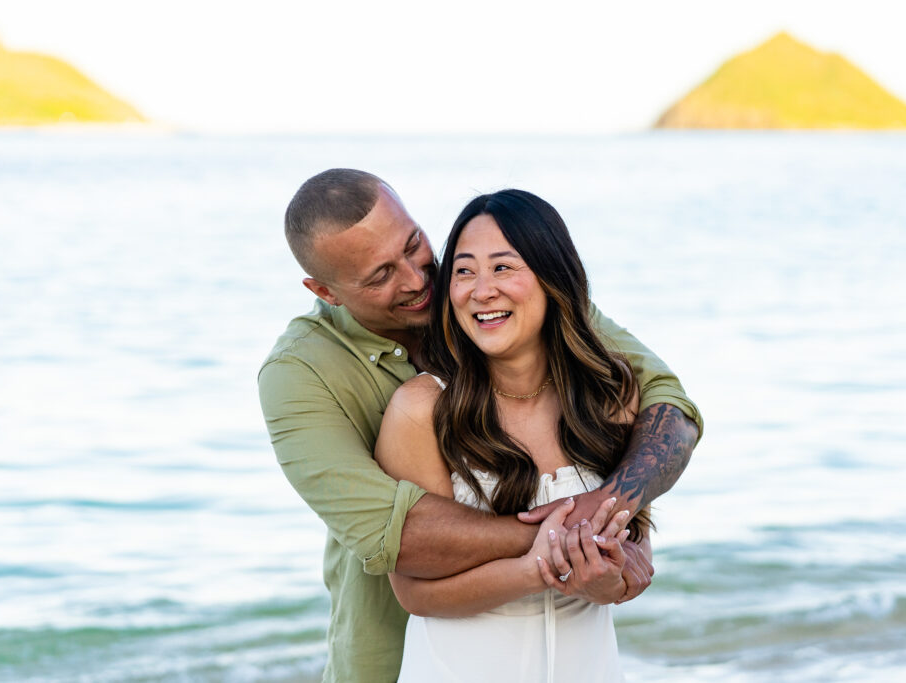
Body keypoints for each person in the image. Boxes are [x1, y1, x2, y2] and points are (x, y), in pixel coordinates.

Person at [258, 169, 702, 683]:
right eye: (380, 276)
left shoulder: (500, 293)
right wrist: (579, 532)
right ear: (325, 291)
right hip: (391, 656)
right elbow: (400, 536)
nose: (418, 279)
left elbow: (667, 408)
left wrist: (615, 534)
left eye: (414, 245)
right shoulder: (300, 375)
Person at [376, 189, 649, 681]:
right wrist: (535, 569)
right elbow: (413, 592)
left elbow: (638, 551)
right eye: (464, 270)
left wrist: (610, 582)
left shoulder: (612, 392)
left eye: (503, 268)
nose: (481, 290)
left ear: (553, 278)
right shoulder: (422, 410)